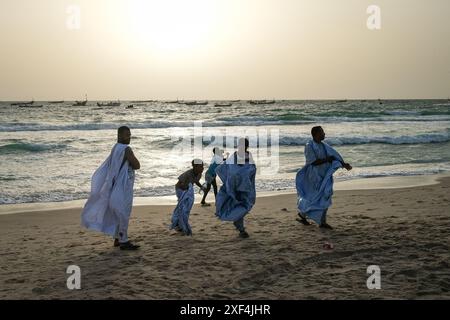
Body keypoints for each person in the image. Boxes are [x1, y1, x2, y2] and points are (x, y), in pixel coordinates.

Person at [81, 126, 141, 250]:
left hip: (114, 184)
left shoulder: (115, 148)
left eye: (129, 134)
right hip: (123, 186)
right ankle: (123, 241)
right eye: (126, 135)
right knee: (123, 212)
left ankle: (117, 239)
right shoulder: (126, 149)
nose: (129, 137)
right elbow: (137, 165)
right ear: (119, 136)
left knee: (119, 211)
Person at [296, 126, 352, 229]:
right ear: (316, 134)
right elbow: (313, 162)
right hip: (314, 177)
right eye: (322, 132)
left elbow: (334, 156)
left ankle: (316, 220)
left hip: (325, 175)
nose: (324, 134)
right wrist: (327, 159)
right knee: (314, 197)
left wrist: (344, 164)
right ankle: (308, 217)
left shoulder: (324, 146)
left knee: (326, 195)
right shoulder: (309, 145)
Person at [215, 138, 256, 238]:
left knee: (242, 207)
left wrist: (244, 174)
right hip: (233, 187)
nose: (241, 147)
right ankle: (241, 230)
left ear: (246, 146)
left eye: (243, 145)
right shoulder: (234, 156)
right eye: (240, 145)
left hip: (245, 188)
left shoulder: (248, 155)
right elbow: (229, 170)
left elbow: (251, 169)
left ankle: (240, 228)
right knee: (237, 206)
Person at [170, 159, 206, 236]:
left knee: (186, 208)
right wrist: (186, 188)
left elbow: (196, 181)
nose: (202, 168)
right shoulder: (187, 174)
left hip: (187, 190)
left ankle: (180, 225)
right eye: (201, 166)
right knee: (182, 207)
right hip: (180, 190)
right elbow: (180, 184)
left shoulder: (199, 174)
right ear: (194, 167)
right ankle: (178, 224)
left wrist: (201, 187)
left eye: (203, 166)